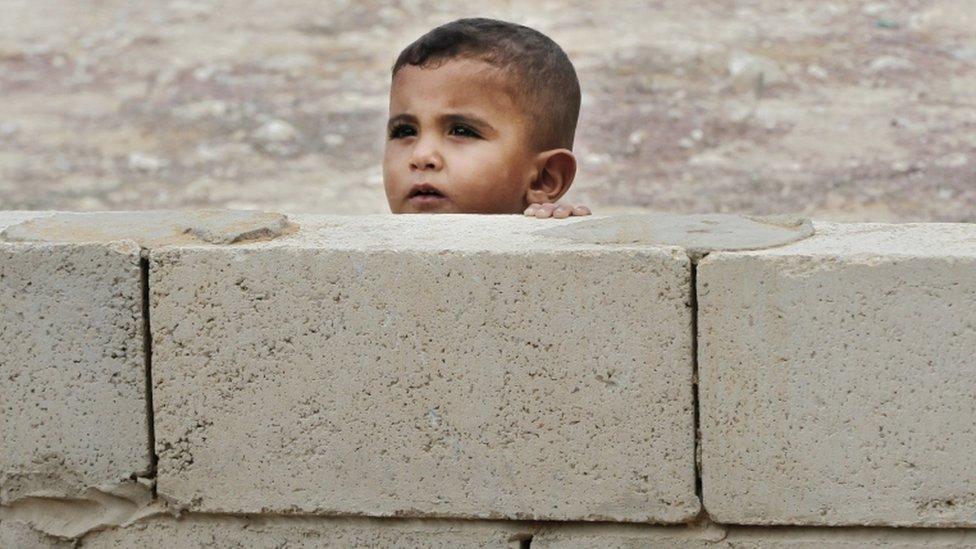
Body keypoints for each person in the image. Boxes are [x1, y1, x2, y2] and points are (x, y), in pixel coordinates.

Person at [383, 18, 592, 219]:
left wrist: (560, 241)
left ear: (544, 179)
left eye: (461, 130)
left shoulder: (551, 251)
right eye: (405, 131)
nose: (421, 157)